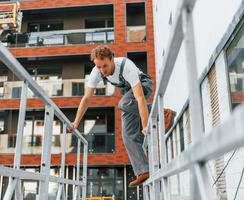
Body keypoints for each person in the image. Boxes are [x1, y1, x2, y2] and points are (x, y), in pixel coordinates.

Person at [68, 45, 175, 187]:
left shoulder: (125, 66)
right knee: (127, 134)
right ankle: (143, 170)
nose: (102, 71)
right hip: (129, 96)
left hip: (143, 85)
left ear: (112, 58)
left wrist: (145, 125)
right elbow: (87, 98)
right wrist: (76, 123)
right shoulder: (96, 72)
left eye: (105, 66)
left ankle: (164, 113)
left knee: (123, 103)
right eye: (99, 67)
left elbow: (141, 98)